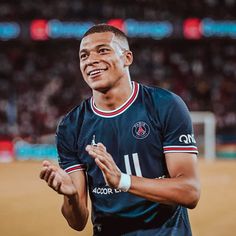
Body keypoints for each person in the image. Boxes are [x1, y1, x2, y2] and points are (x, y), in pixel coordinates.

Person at [40, 24, 200, 236]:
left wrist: (122, 180)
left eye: (103, 50)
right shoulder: (71, 126)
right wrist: (70, 197)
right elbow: (77, 222)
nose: (91, 60)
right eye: (84, 55)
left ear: (127, 58)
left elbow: (190, 191)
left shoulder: (165, 105)